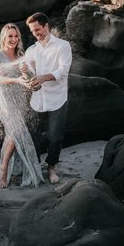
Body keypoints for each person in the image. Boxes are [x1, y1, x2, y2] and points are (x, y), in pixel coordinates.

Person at [0, 23, 44, 188]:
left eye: (16, 36)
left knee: (11, 133)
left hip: (19, 97)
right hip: (4, 96)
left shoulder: (21, 55)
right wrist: (16, 79)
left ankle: (5, 166)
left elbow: (31, 78)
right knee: (17, 130)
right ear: (4, 37)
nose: (13, 39)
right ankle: (4, 166)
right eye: (10, 36)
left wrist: (27, 71)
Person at [20, 12, 72, 184]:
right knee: (32, 136)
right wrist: (27, 73)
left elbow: (63, 71)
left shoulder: (62, 46)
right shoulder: (31, 50)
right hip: (36, 101)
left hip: (57, 100)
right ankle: (35, 167)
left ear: (46, 26)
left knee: (55, 137)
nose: (35, 33)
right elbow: (30, 77)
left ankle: (51, 167)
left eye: (38, 29)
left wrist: (44, 77)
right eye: (33, 31)